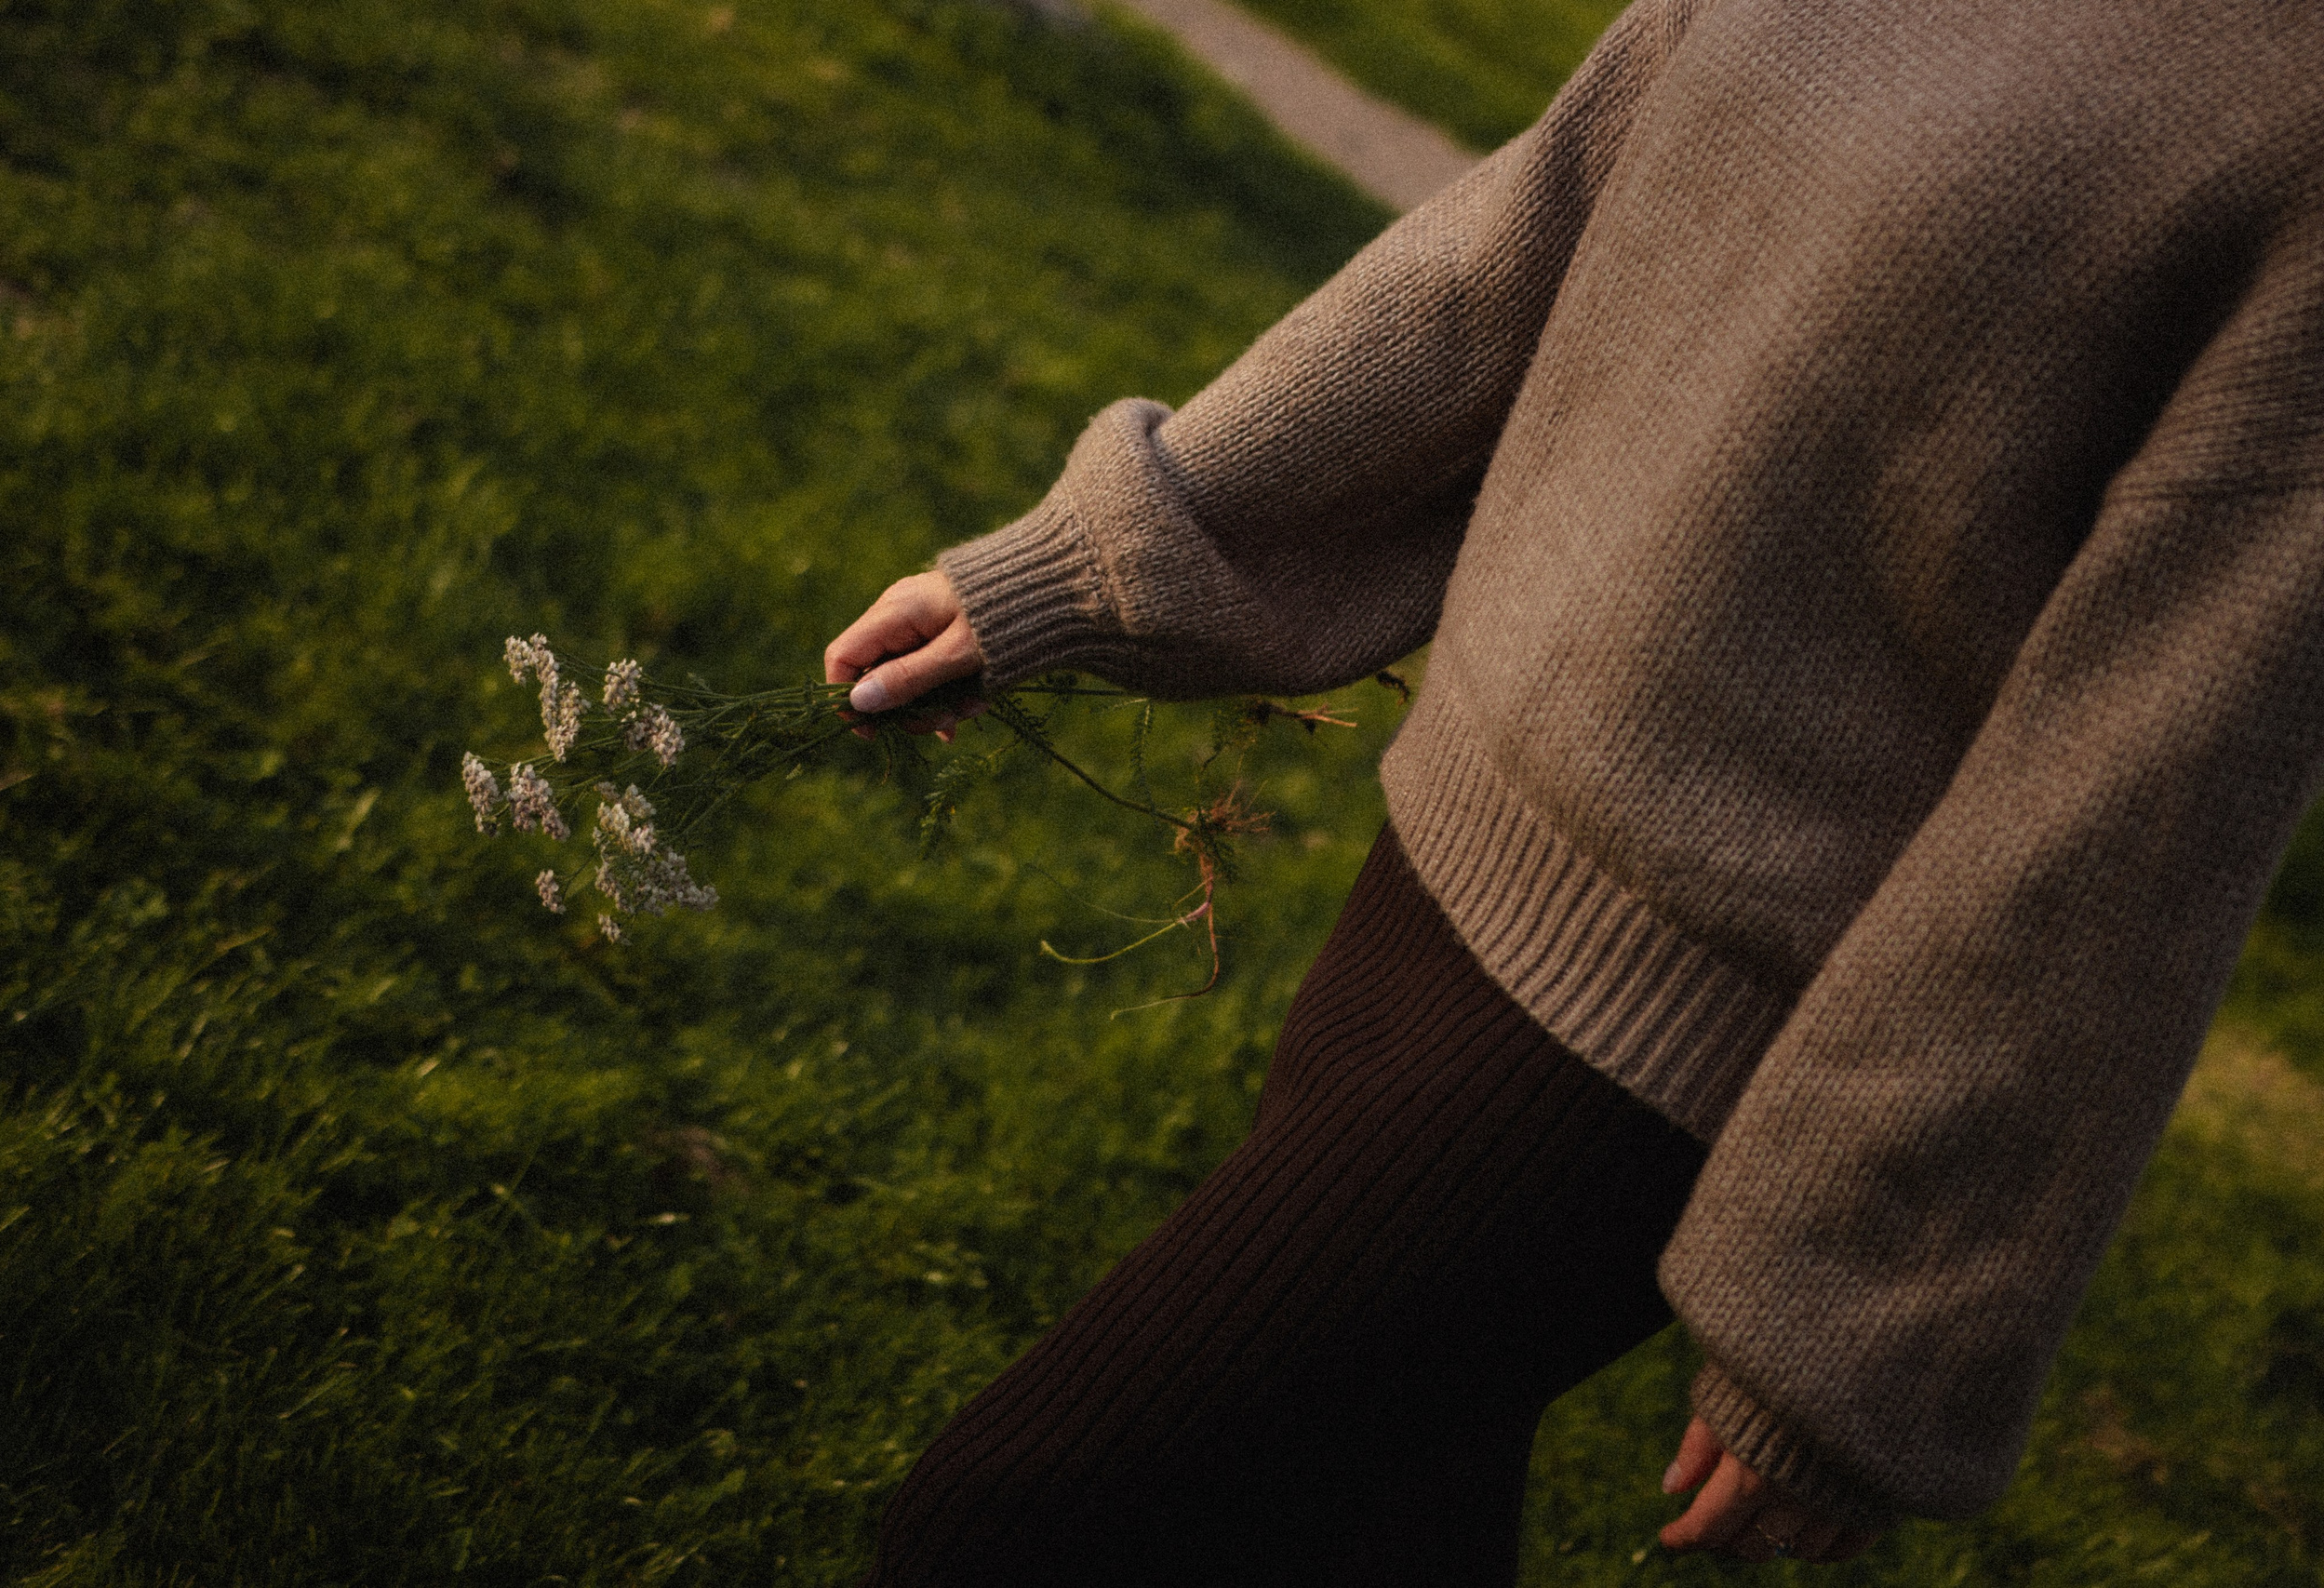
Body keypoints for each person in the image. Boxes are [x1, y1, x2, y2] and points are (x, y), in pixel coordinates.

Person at [825, 0, 2324, 1578]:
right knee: (1362, 1518)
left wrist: (1863, 1312)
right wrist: (1114, 555)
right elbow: (1521, 248)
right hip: (1445, 854)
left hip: (1660, 1042)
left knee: (1012, 1523)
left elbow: (2137, 798)